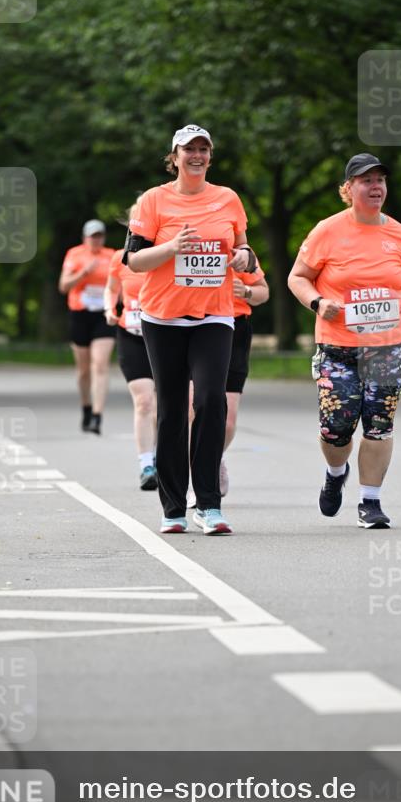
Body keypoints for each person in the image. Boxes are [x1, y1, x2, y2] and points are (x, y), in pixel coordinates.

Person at [125, 124, 256, 535]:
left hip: (215, 315)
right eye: (189, 150)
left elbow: (247, 249)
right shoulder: (153, 201)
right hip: (163, 317)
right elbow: (133, 260)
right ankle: (173, 508)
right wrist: (171, 248)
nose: (196, 156)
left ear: (210, 157)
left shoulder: (228, 199)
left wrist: (244, 259)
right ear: (175, 156)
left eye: (203, 149)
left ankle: (210, 504)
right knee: (171, 411)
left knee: (212, 400)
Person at [288, 153, 401, 528]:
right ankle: (336, 474)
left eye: (380, 179)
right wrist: (318, 302)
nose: (376, 186)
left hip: (390, 345)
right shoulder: (327, 231)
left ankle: (371, 502)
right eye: (366, 181)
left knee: (379, 423)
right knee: (336, 426)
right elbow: (297, 277)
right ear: (348, 189)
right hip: (338, 346)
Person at [188, 260, 269, 504]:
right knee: (196, 408)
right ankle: (200, 479)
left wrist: (245, 292)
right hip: (197, 325)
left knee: (228, 419)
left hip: (236, 330)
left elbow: (263, 292)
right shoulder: (188, 245)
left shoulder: (241, 254)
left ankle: (214, 457)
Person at [105, 227, 158, 490]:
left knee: (162, 406)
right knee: (145, 401)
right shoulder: (120, 257)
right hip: (131, 335)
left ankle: (161, 457)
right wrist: (108, 307)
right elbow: (111, 288)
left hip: (162, 335)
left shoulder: (166, 254)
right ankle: (147, 465)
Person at [58, 219, 116, 434]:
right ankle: (86, 407)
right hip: (80, 314)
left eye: (100, 235)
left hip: (103, 315)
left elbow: (122, 281)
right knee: (84, 370)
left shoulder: (111, 256)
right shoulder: (75, 255)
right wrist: (83, 273)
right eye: (93, 236)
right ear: (85, 238)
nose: (97, 239)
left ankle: (97, 416)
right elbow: (63, 286)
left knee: (100, 365)